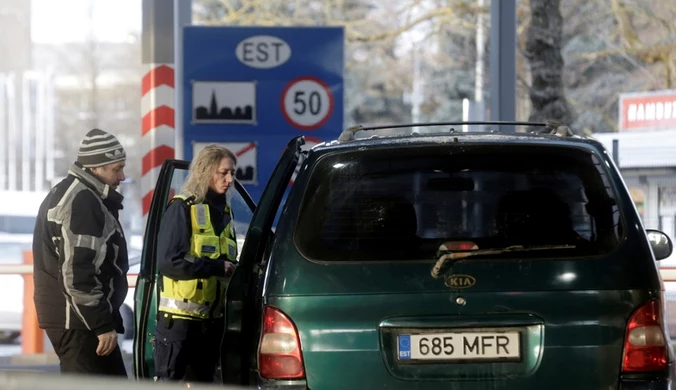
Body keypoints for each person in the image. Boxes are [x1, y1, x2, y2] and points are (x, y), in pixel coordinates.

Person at [32, 128, 129, 376]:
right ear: (95, 168)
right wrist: (101, 325)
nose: (123, 176)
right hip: (79, 322)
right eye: (116, 168)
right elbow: (77, 272)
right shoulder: (82, 201)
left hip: (76, 318)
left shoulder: (72, 192)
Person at [154, 144, 238, 382]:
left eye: (232, 172)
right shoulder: (183, 207)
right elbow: (169, 262)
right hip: (179, 324)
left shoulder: (224, 213)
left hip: (211, 323)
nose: (229, 179)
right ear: (205, 170)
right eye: (223, 172)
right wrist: (215, 267)